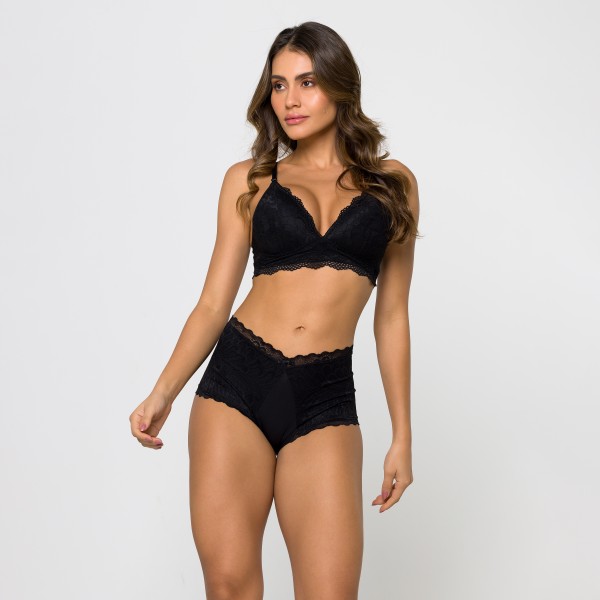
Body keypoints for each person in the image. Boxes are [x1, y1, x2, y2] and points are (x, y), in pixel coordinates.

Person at [129, 20, 420, 600]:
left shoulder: (394, 186)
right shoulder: (251, 180)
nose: (290, 100)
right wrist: (163, 392)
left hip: (325, 395)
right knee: (230, 586)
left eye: (307, 82)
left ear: (340, 85)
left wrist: (402, 435)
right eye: (279, 85)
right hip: (238, 384)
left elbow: (391, 316)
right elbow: (213, 302)